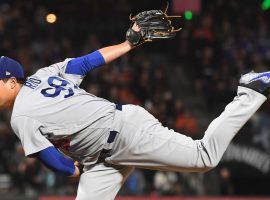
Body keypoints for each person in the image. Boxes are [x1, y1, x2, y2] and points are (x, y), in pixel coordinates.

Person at [0, 22, 269, 199]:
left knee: (205, 158)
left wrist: (74, 172)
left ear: (12, 82)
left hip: (125, 134)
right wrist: (128, 44)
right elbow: (87, 62)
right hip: (102, 158)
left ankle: (250, 91)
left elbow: (52, 161)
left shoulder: (22, 115)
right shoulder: (46, 74)